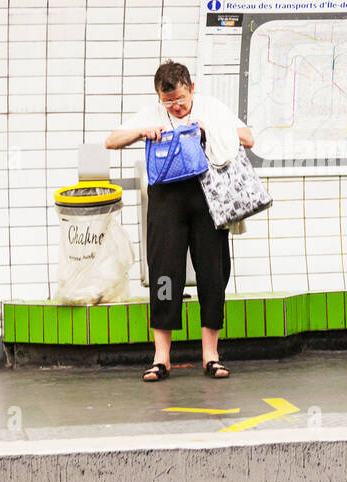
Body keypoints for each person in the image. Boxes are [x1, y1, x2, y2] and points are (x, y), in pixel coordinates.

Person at [106, 61, 254, 381]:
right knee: (164, 276)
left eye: (180, 99)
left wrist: (206, 130)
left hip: (206, 199)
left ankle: (211, 356)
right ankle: (161, 358)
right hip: (165, 202)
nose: (175, 106)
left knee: (212, 273)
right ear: (159, 96)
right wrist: (141, 131)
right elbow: (111, 140)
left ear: (192, 88)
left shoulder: (210, 107)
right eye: (168, 101)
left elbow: (248, 137)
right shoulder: (152, 112)